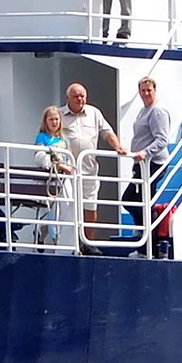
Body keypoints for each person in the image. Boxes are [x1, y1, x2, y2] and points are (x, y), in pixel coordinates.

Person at [60, 81, 127, 252]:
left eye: (82, 96)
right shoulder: (59, 115)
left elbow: (107, 132)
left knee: (90, 206)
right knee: (67, 207)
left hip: (89, 170)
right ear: (68, 97)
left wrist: (117, 146)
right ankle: (66, 241)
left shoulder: (94, 113)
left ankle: (88, 243)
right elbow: (49, 134)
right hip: (67, 172)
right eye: (76, 96)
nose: (80, 99)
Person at [124, 76, 173, 256]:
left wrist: (144, 153)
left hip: (153, 163)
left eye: (149, 90)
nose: (145, 93)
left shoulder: (157, 111)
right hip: (142, 164)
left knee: (131, 199)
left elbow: (162, 139)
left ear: (155, 90)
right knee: (139, 202)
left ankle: (147, 246)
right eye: (143, 90)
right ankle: (145, 236)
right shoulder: (143, 111)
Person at [33, 105, 75, 249]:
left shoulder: (64, 138)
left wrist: (69, 166)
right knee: (52, 210)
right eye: (51, 119)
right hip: (49, 179)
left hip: (64, 179)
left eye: (56, 119)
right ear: (46, 121)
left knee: (67, 206)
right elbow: (39, 157)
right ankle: (51, 237)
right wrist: (56, 165)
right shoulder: (41, 137)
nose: (54, 122)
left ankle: (58, 237)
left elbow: (69, 157)